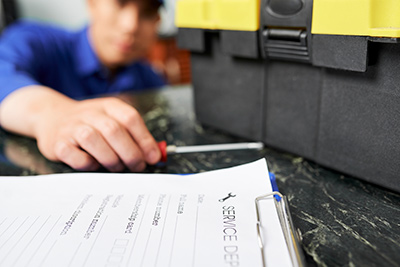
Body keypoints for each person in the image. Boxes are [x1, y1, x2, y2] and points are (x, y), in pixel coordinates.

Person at [0, 0, 166, 172]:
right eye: (120, 3)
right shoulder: (36, 41)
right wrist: (54, 114)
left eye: (147, 12)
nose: (130, 25)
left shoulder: (150, 79)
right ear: (92, 3)